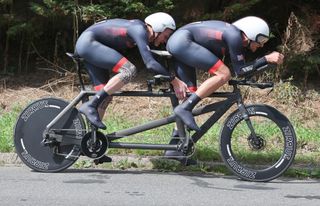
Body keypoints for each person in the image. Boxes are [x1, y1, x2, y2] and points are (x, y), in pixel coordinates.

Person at [166, 16, 284, 132]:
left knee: (189, 95)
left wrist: (263, 63)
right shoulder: (234, 36)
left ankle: (175, 146)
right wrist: (266, 59)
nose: (262, 45)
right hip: (182, 42)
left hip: (179, 41)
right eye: (261, 40)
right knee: (224, 74)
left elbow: (242, 70)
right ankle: (185, 108)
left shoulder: (233, 35)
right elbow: (240, 71)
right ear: (251, 33)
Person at [75, 12, 187, 130]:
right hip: (88, 44)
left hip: (89, 44)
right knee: (129, 70)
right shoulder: (139, 29)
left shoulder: (139, 29)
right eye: (166, 35)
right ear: (159, 27)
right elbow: (150, 63)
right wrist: (175, 80)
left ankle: (90, 141)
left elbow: (151, 59)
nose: (165, 40)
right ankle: (91, 104)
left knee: (105, 97)